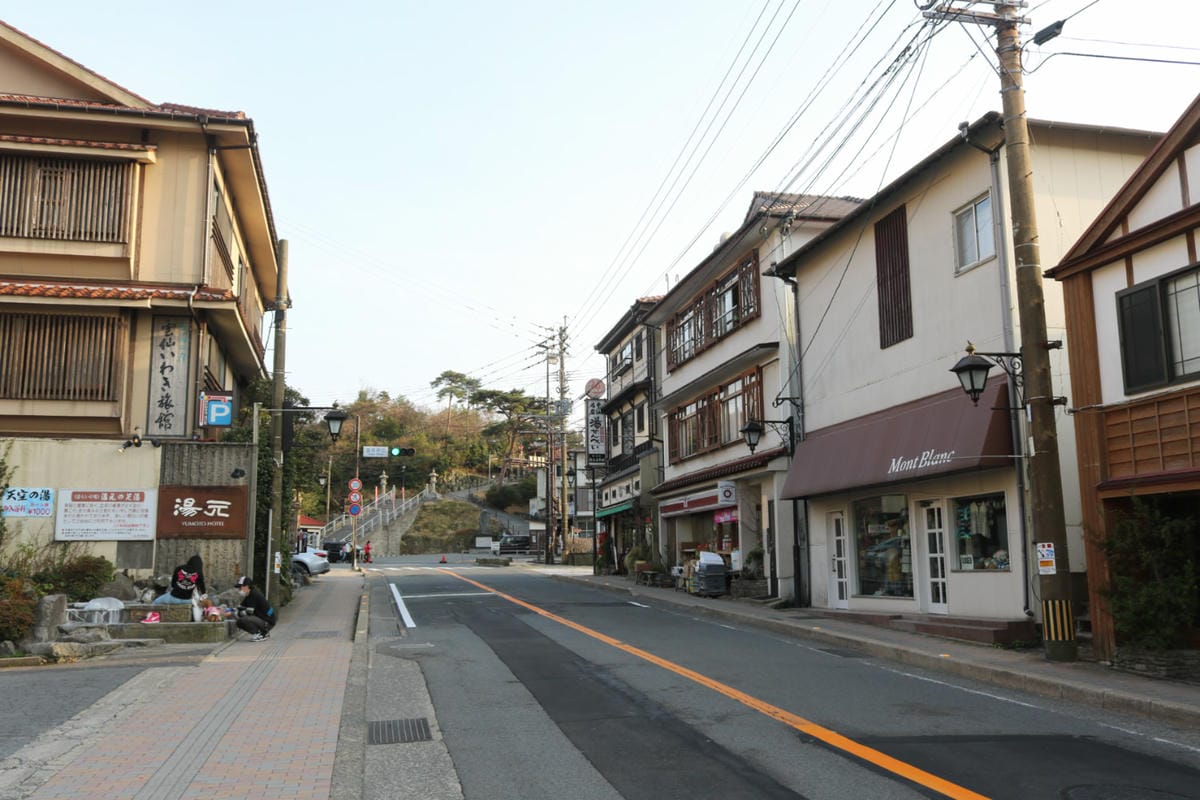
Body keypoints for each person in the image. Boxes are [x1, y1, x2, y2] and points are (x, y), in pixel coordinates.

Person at [229, 576, 275, 641]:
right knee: (239, 622)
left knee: (243, 619)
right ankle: (261, 632)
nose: (239, 589)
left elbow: (249, 612)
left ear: (247, 586)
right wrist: (230, 610)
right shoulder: (248, 595)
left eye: (240, 587)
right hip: (262, 620)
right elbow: (240, 607)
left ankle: (263, 633)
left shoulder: (254, 595)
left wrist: (235, 613)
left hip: (268, 622)